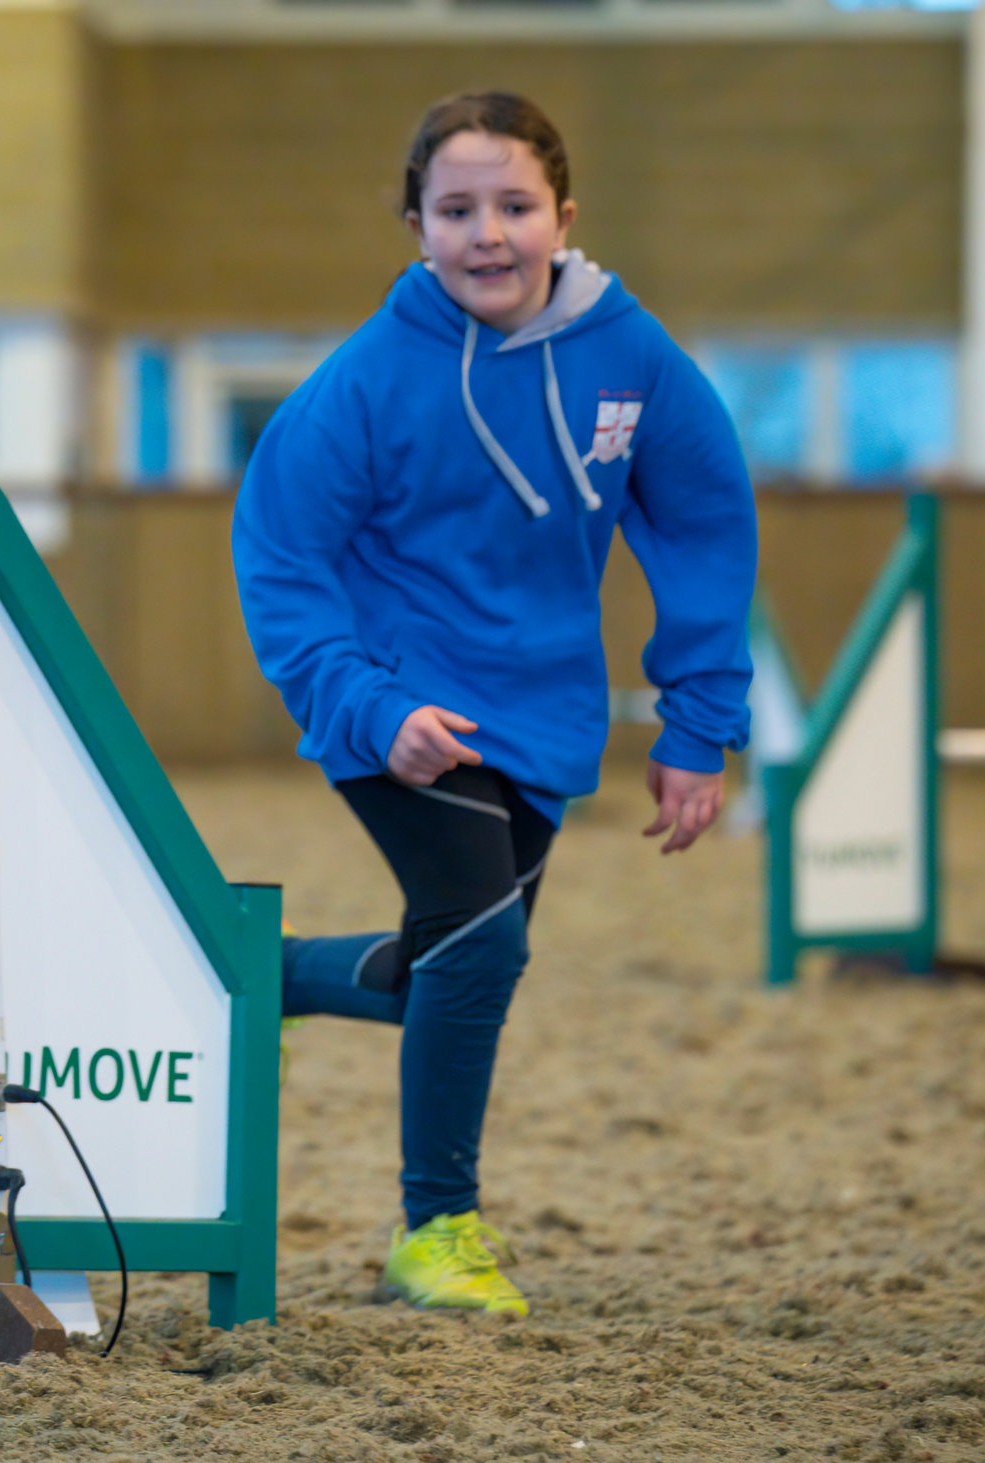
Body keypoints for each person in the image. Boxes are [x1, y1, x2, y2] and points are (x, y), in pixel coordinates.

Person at [232, 92, 758, 1315]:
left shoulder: (631, 356)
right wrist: (366, 708)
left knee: (450, 970)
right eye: (454, 208)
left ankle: (259, 976)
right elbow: (282, 557)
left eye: (512, 206)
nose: (487, 234)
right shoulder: (360, 385)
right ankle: (435, 1231)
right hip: (396, 709)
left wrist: (696, 723)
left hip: (539, 712)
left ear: (561, 218)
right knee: (484, 942)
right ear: (414, 225)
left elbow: (702, 524)